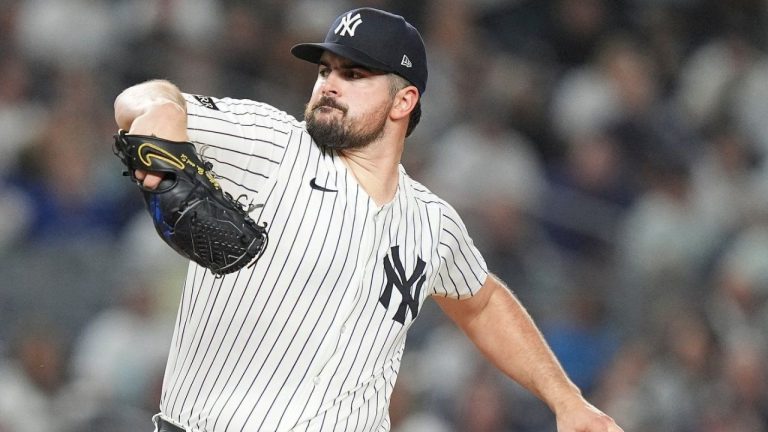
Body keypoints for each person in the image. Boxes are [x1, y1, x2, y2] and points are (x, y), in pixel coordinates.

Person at [113, 7, 623, 432]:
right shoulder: (273, 145)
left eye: (353, 74)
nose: (329, 84)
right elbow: (139, 98)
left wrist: (566, 400)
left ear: (404, 100)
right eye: (325, 70)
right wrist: (160, 113)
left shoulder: (432, 223)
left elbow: (482, 301)